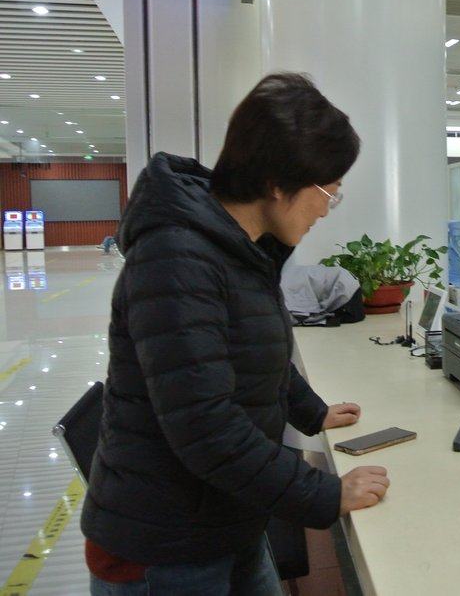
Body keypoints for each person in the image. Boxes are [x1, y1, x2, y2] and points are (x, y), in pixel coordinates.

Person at [83, 73, 390, 595]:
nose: (325, 209)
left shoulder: (238, 246)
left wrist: (312, 412)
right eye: (326, 193)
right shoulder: (176, 256)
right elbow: (205, 426)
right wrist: (325, 493)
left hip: (224, 516)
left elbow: (252, 350)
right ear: (277, 183)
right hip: (166, 544)